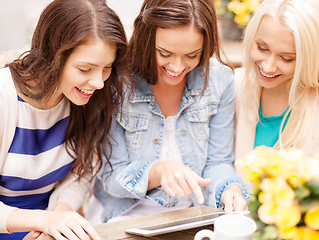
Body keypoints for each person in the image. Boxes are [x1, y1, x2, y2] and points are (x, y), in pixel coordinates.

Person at [85, 0, 250, 225]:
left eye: (192, 55)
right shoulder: (116, 83)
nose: (177, 67)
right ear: (146, 38)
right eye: (164, 53)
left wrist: (229, 189)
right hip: (123, 216)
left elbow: (218, 161)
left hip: (193, 215)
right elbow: (113, 180)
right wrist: (158, 171)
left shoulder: (220, 81)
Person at [0, 0, 128, 239]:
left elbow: (81, 174)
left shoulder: (87, 98)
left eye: (107, 67)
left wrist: (60, 217)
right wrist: (44, 220)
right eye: (85, 69)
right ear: (51, 55)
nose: (99, 83)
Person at [235, 0, 319, 160]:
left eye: (286, 58)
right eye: (262, 48)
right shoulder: (239, 84)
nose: (268, 67)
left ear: (311, 58)